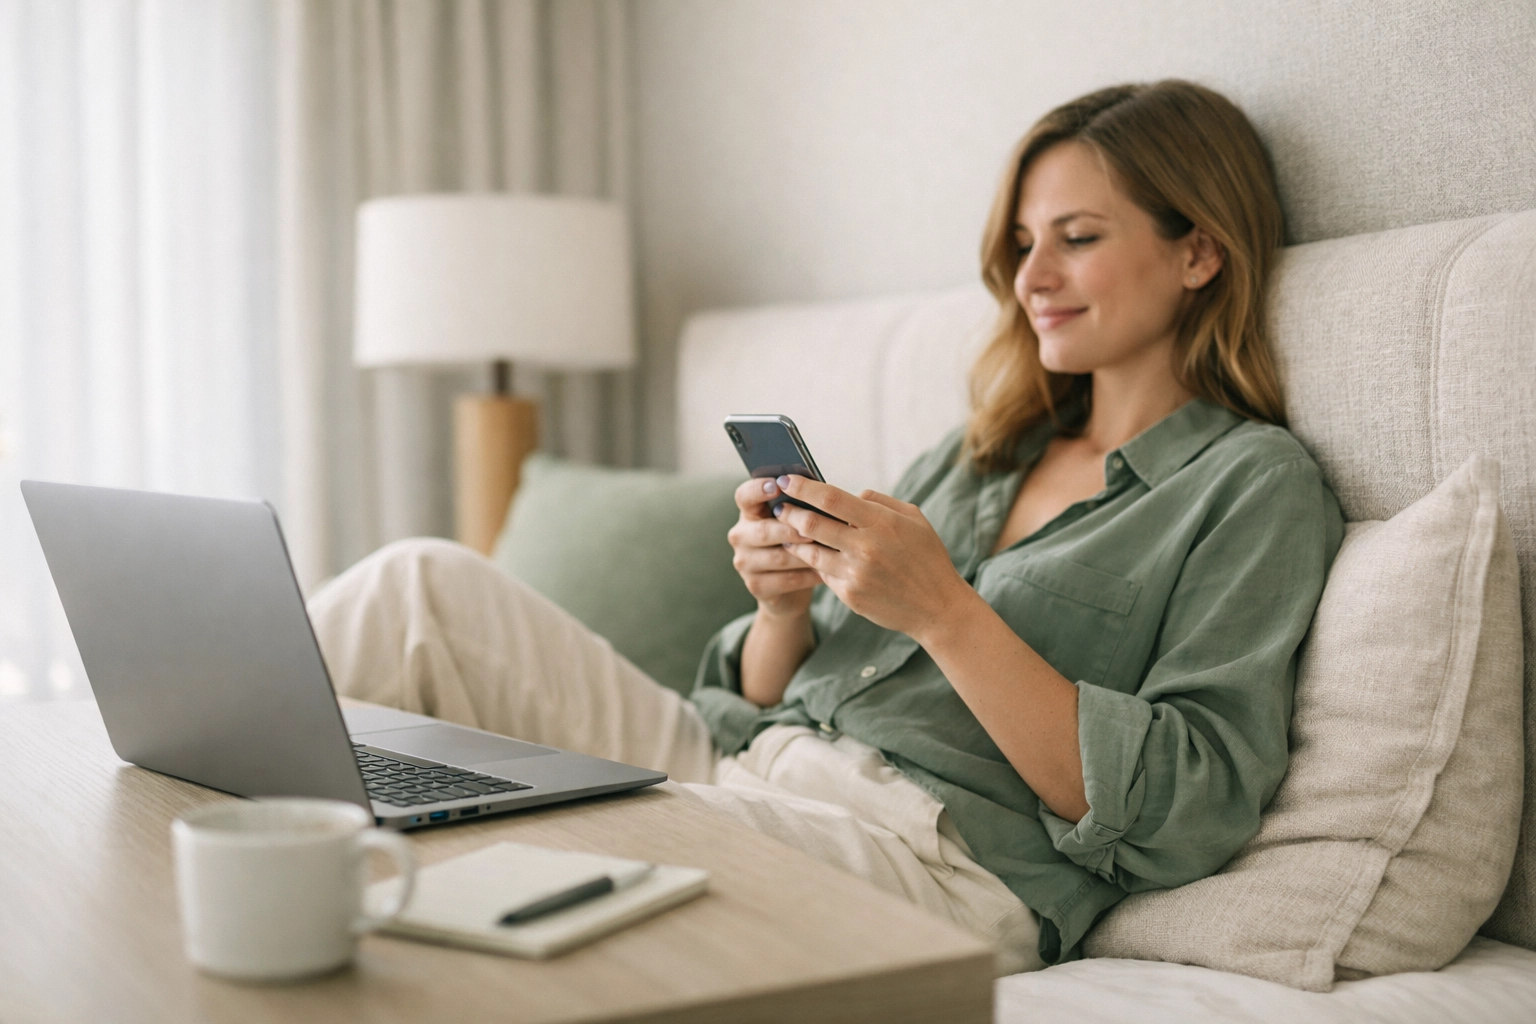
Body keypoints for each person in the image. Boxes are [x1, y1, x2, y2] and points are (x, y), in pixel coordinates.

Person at [310, 79, 1343, 974]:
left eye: (1078, 239)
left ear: (1200, 251)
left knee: (546, 829)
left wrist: (946, 613)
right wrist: (782, 608)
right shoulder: (980, 452)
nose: (1031, 279)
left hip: (920, 855)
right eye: (1025, 243)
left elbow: (1190, 806)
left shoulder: (1251, 485)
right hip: (745, 760)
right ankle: (175, 828)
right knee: (418, 588)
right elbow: (762, 691)